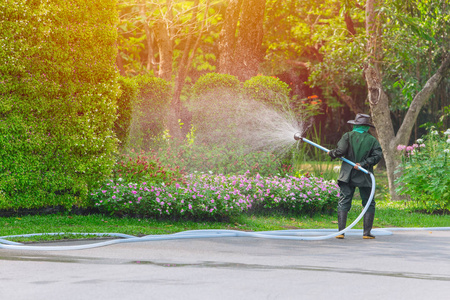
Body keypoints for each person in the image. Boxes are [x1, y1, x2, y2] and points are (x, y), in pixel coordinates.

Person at [327, 113, 383, 239]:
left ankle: (340, 232)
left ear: (355, 125)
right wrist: (363, 163)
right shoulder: (372, 140)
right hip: (365, 174)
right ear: (367, 126)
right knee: (368, 202)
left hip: (348, 174)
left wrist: (332, 153)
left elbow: (340, 151)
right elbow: (377, 156)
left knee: (344, 200)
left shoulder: (347, 136)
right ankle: (366, 233)